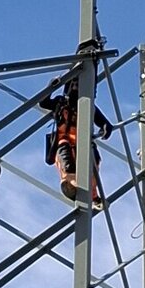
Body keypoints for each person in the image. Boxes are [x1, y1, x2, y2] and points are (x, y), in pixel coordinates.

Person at [42, 70, 112, 203]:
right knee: (65, 157)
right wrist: (51, 87)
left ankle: (93, 193)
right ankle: (70, 182)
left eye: (78, 85)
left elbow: (104, 123)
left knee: (93, 161)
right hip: (65, 140)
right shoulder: (61, 102)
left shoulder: (88, 106)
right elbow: (43, 103)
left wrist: (105, 128)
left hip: (83, 141)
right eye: (73, 85)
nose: (75, 88)